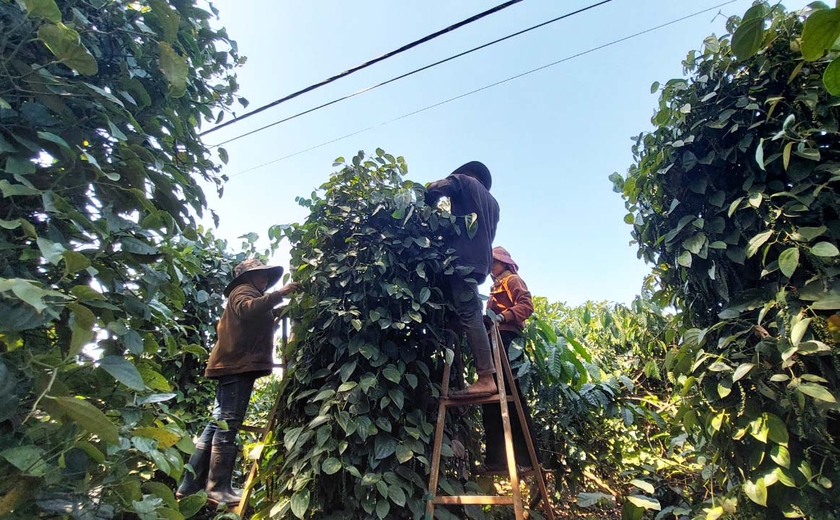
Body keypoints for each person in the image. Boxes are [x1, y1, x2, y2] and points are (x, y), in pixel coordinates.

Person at [176, 258, 301, 506]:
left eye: (266, 275)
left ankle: (189, 485)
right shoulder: (242, 291)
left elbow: (256, 314)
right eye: (259, 275)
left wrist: (279, 310)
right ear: (247, 277)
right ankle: (217, 489)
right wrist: (281, 293)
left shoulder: (249, 294)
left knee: (217, 423)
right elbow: (246, 309)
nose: (263, 279)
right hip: (235, 366)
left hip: (232, 366)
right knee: (227, 424)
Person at [425, 161, 500, 398]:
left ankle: (486, 376)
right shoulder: (493, 203)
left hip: (462, 259)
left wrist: (427, 204)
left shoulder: (464, 181)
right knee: (462, 312)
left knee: (469, 313)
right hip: (481, 263)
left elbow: (435, 187)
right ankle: (462, 370)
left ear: (468, 174)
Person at [482, 246, 541, 471]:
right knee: (493, 396)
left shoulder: (512, 280)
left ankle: (527, 459)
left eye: (494, 262)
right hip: (495, 338)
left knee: (511, 394)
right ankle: (497, 460)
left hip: (508, 340)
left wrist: (502, 316)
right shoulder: (495, 285)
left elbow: (526, 305)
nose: (491, 267)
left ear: (504, 263)